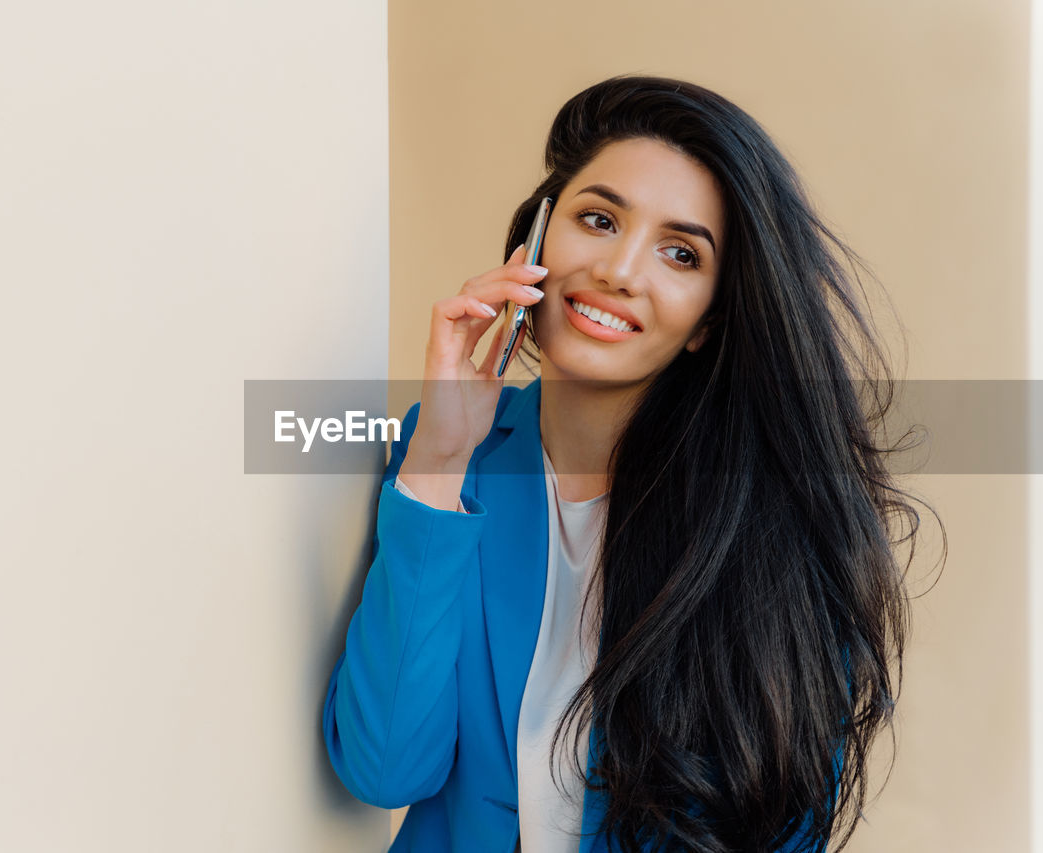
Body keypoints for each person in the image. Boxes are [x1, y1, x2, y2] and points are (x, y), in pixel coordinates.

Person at [322, 75, 937, 853]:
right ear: (537, 240)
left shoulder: (773, 526)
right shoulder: (447, 457)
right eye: (599, 218)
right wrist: (440, 455)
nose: (620, 269)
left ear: (705, 324)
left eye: (680, 253)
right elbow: (384, 768)